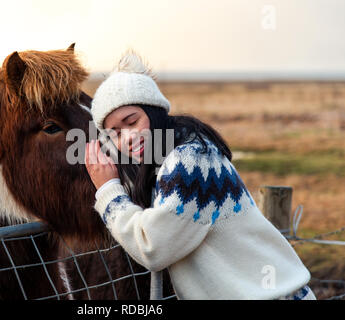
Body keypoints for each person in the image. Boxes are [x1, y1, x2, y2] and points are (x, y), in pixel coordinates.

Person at [84, 50, 316, 300]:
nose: (127, 137)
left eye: (132, 121)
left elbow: (153, 248)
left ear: (154, 112)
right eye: (115, 133)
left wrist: (109, 191)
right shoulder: (166, 163)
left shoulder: (191, 161)